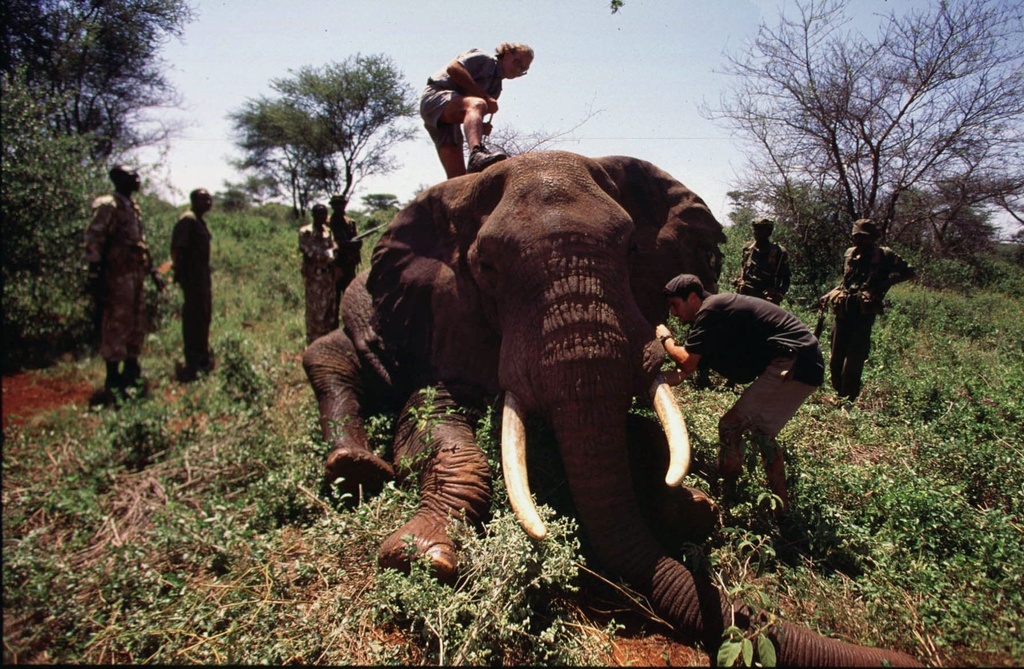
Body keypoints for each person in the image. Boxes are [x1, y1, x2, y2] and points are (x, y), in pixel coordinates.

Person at [655, 274, 824, 514]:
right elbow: (684, 373)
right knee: (760, 434)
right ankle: (779, 508)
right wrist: (652, 378)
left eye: (675, 304)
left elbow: (686, 361)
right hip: (802, 362)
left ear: (693, 297)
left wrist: (666, 339)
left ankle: (730, 493)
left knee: (730, 425)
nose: (672, 313)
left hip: (794, 359)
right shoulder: (713, 319)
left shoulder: (711, 309)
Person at [84, 165, 165, 401]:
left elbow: (140, 244)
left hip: (135, 276)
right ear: (119, 179)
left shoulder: (133, 207)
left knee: (136, 322)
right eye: (133, 177)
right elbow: (94, 238)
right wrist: (94, 274)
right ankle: (112, 376)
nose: (138, 180)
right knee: (116, 323)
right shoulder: (109, 205)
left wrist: (153, 272)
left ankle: (132, 369)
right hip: (116, 276)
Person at [820, 218, 915, 401]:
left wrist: (886, 283)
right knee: (836, 356)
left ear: (872, 237)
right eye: (856, 236)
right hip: (843, 308)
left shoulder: (884, 255)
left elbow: (910, 272)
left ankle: (848, 397)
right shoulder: (849, 253)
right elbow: (845, 282)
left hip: (863, 312)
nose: (859, 241)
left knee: (854, 357)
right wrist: (829, 294)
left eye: (863, 237)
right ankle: (837, 392)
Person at [420, 42, 534, 178]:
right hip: (436, 97)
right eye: (517, 62)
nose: (517, 70)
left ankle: (474, 159)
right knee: (478, 103)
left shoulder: (496, 88)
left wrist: (481, 126)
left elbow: (471, 114)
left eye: (523, 69)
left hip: (448, 120)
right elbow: (453, 67)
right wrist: (484, 96)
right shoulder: (484, 59)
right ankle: (476, 152)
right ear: (507, 54)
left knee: (458, 179)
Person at [171, 188, 214, 381]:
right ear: (194, 200)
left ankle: (202, 355)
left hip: (202, 277)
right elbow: (177, 250)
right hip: (192, 279)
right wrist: (181, 275)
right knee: (194, 318)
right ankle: (193, 360)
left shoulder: (198, 220)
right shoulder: (188, 220)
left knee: (203, 315)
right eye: (204, 199)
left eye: (209, 199)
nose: (208, 202)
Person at [300, 204, 340, 344]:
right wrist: (326, 254)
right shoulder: (306, 232)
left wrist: (333, 252)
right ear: (314, 215)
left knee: (329, 312)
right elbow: (309, 252)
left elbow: (333, 247)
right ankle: (313, 344)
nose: (323, 217)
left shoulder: (328, 232)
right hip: (315, 278)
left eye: (324, 214)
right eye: (320, 214)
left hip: (328, 277)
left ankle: (326, 344)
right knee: (315, 313)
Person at [733, 216, 791, 304]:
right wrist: (739, 281)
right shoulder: (748, 249)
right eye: (755, 229)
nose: (756, 232)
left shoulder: (779, 252)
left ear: (769, 232)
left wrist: (779, 295)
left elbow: (786, 279)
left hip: (766, 300)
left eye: (760, 229)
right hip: (745, 297)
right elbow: (742, 269)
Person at [328, 194, 361, 299]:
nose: (339, 207)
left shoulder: (351, 222)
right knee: (334, 298)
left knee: (351, 296)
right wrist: (345, 244)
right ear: (332, 206)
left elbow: (357, 240)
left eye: (341, 204)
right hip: (334, 265)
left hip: (349, 264)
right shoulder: (327, 223)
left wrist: (356, 244)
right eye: (336, 204)